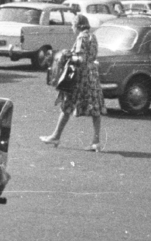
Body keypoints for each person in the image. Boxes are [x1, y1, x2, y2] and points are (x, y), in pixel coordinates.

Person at [40, 14, 104, 152]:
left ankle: (55, 136)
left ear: (78, 26)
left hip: (80, 78)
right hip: (92, 76)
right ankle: (96, 141)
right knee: (95, 108)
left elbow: (80, 59)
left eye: (73, 26)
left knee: (67, 104)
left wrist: (66, 54)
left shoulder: (81, 37)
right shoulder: (93, 37)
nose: (72, 29)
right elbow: (91, 56)